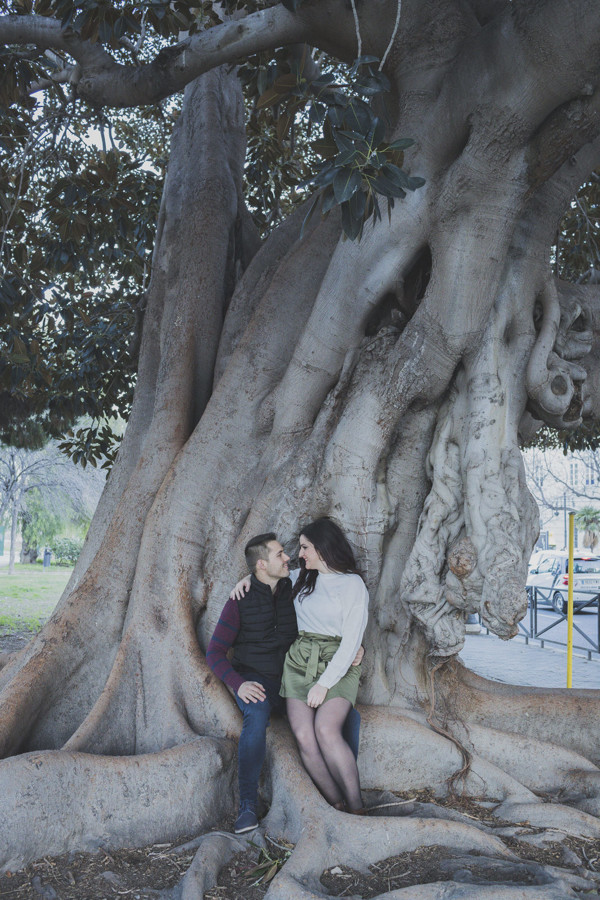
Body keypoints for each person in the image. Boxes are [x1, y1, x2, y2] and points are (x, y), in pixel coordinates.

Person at [207, 532, 362, 834]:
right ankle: (247, 805)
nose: (288, 557)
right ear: (262, 564)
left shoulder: (296, 587)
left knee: (349, 716)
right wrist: (239, 684)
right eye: (280, 554)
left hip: (296, 678)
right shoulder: (239, 601)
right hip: (256, 680)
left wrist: (359, 647)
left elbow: (330, 619)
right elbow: (214, 652)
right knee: (257, 713)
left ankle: (345, 789)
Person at [280, 518, 368, 814]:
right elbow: (264, 574)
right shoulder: (300, 578)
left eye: (305, 547)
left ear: (322, 547)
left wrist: (324, 684)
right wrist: (244, 581)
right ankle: (337, 806)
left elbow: (351, 642)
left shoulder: (352, 585)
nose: (300, 554)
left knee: (326, 730)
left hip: (338, 662)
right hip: (299, 662)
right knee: (304, 736)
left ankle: (357, 808)